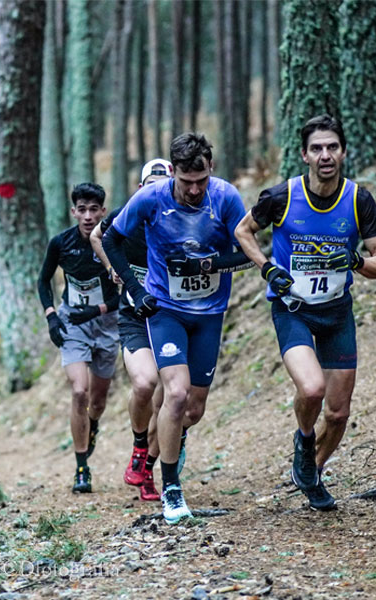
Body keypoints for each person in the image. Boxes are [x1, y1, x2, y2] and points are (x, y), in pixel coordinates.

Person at [234, 114, 376, 511]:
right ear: (304, 154)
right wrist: (268, 268)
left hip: (336, 313)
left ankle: (311, 473)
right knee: (312, 389)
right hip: (294, 310)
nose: (325, 155)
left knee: (338, 414)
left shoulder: (358, 200)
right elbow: (242, 231)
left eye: (332, 147)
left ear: (343, 152)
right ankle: (304, 441)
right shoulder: (282, 196)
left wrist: (353, 261)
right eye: (317, 148)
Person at [102, 133, 252, 524]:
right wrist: (136, 291)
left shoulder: (226, 198)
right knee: (176, 392)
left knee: (194, 409)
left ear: (210, 168)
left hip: (209, 313)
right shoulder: (151, 199)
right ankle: (171, 489)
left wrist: (208, 266)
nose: (194, 189)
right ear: (173, 173)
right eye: (186, 182)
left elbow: (247, 253)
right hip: (165, 308)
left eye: (201, 180)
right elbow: (111, 239)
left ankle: (173, 440)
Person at [89, 158, 173, 503]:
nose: (155, 191)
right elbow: (97, 235)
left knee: (172, 402)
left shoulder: (182, 218)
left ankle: (148, 468)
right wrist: (114, 269)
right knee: (144, 383)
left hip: (174, 316)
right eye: (149, 185)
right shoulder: (129, 214)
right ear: (141, 188)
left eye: (162, 185)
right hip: (135, 313)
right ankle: (140, 448)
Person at [37, 182, 120, 494]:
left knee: (97, 401)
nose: (87, 216)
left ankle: (93, 425)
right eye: (81, 209)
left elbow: (125, 289)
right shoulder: (61, 243)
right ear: (74, 211)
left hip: (108, 323)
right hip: (73, 322)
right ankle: (81, 467)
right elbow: (43, 280)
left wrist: (98, 309)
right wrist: (51, 316)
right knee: (79, 392)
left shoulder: (113, 241)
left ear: (102, 211)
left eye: (93, 209)